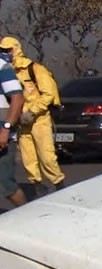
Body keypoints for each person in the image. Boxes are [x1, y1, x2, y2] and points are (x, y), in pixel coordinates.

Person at [0, 36, 65, 196]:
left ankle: (60, 186)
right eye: (2, 50)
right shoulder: (8, 70)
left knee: (47, 158)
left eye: (8, 50)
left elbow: (49, 94)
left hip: (39, 120)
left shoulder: (34, 69)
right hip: (21, 122)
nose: (6, 53)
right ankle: (37, 188)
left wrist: (33, 111)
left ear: (16, 49)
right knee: (28, 160)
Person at [0, 46, 27, 207]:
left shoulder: (2, 67)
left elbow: (17, 98)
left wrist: (5, 129)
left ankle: (28, 217)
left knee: (6, 186)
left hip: (2, 135)